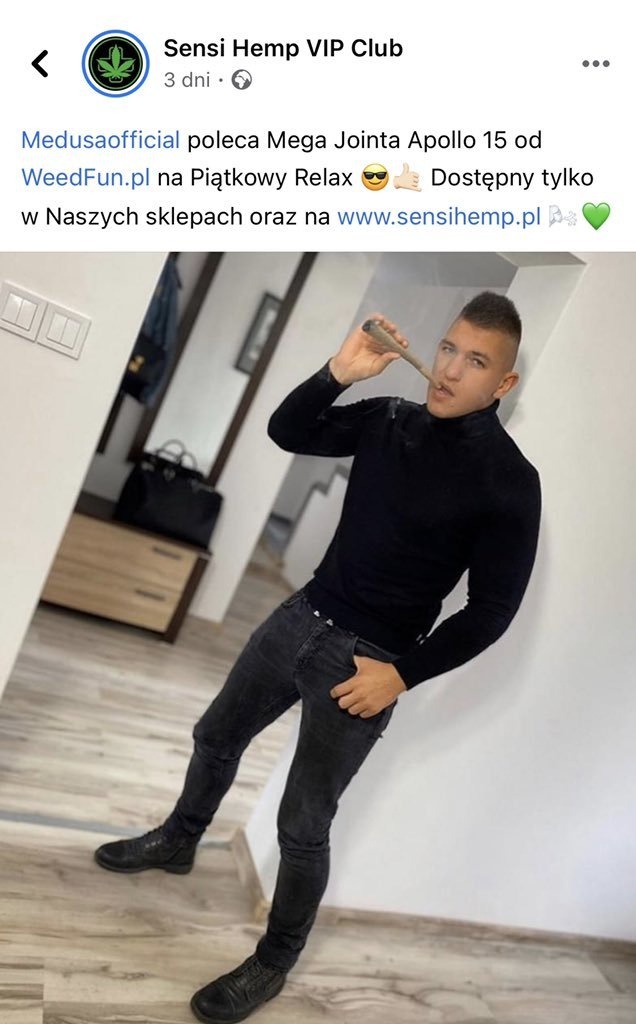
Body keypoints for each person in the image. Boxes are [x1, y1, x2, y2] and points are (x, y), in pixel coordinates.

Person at [95, 291, 541, 1024]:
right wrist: (339, 371)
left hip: (367, 664)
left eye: (476, 361)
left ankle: (274, 961)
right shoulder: (390, 418)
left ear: (504, 383)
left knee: (302, 825)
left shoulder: (510, 482)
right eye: (448, 348)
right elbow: (287, 430)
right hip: (301, 614)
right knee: (215, 736)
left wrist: (400, 676)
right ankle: (179, 839)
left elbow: (492, 610)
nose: (450, 369)